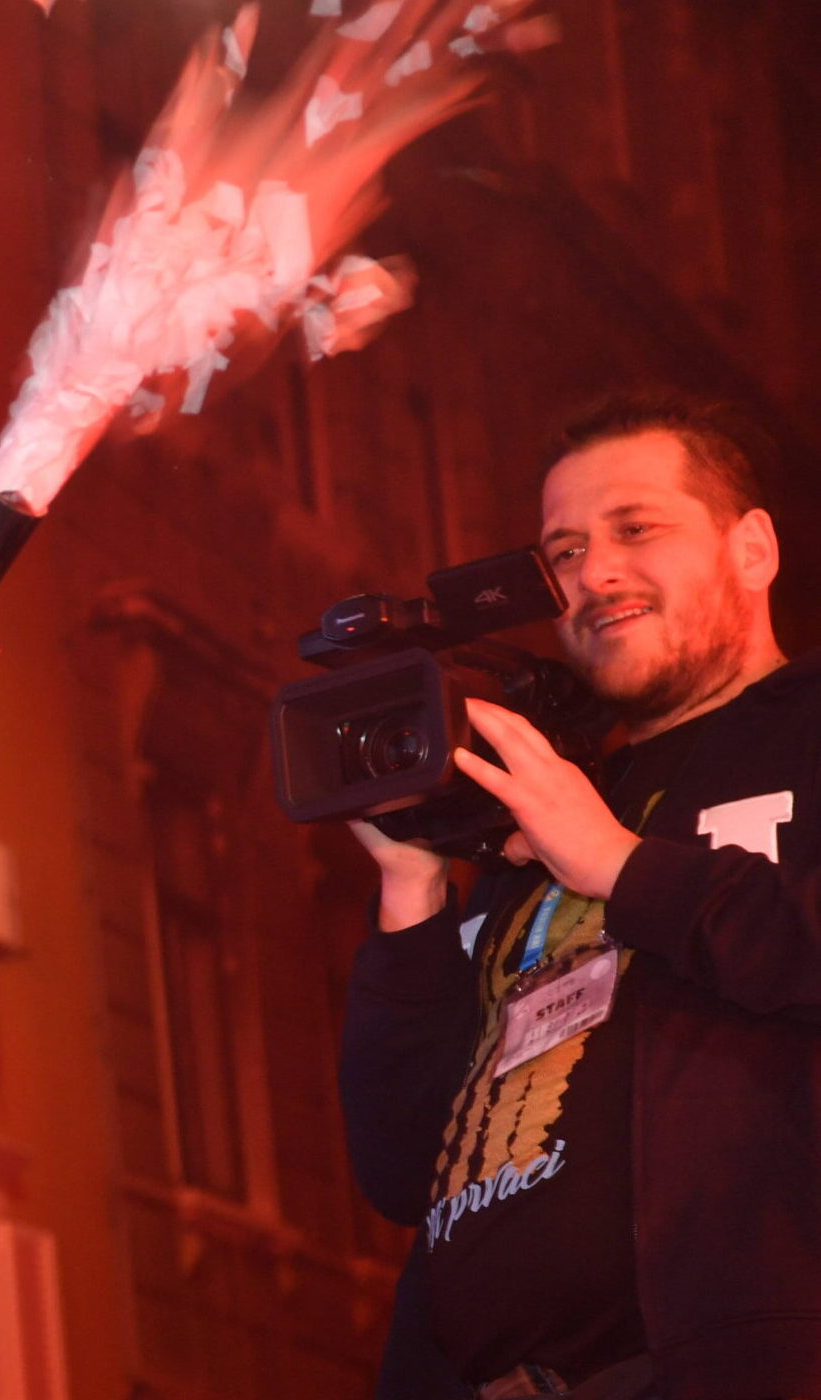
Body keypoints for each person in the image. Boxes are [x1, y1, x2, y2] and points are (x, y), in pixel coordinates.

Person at [342, 393, 821, 1400]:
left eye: (635, 529)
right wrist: (411, 889)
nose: (592, 573)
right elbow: (400, 1165)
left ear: (752, 548)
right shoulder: (544, 803)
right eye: (563, 551)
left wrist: (620, 866)